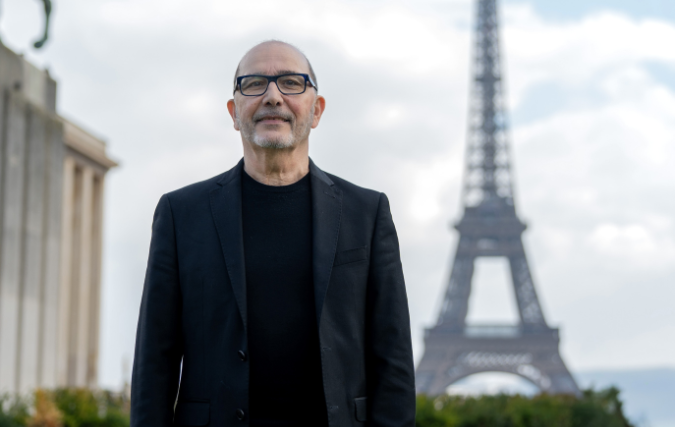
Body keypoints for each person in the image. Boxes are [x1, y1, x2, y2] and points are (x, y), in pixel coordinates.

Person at [130, 40, 415, 427]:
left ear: (317, 110)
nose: (273, 96)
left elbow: (393, 358)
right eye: (253, 84)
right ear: (234, 113)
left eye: (292, 82)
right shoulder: (180, 214)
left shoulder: (367, 213)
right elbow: (154, 360)